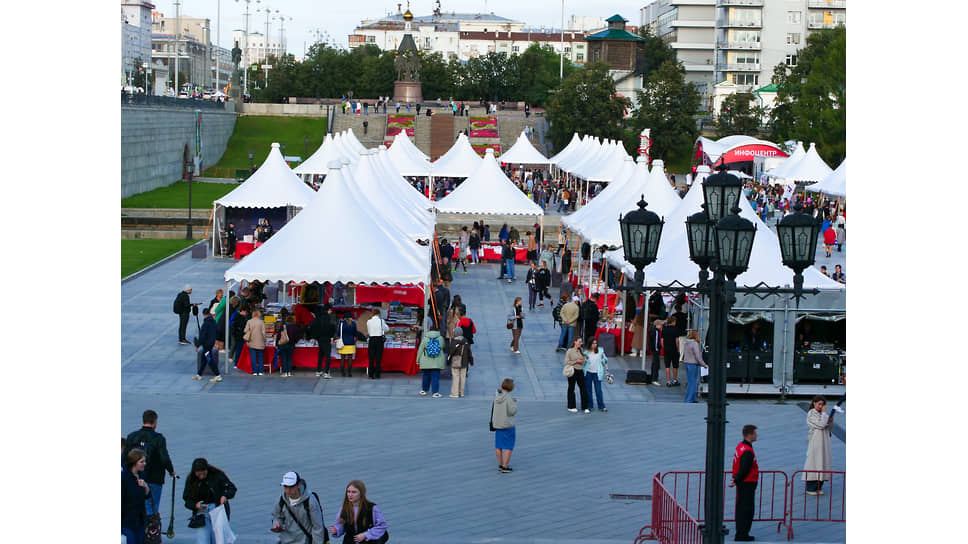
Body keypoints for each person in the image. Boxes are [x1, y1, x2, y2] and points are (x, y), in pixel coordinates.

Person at [124, 409, 176, 518]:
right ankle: (150, 531)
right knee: (151, 506)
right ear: (155, 421)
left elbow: (124, 458)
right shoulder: (158, 439)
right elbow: (164, 458)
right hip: (154, 478)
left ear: (143, 420)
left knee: (134, 505)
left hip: (134, 477)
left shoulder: (131, 437)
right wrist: (171, 471)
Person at [183, 458, 236, 544]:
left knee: (219, 540)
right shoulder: (191, 480)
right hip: (201, 513)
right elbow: (187, 499)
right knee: (203, 540)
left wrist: (225, 496)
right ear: (194, 472)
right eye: (198, 472)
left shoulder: (217, 475)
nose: (201, 474)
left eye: (203, 471)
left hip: (217, 511)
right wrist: (195, 506)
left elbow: (231, 488)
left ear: (207, 469)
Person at [271, 471, 328, 544]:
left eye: (291, 487)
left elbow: (318, 528)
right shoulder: (281, 499)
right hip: (285, 541)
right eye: (285, 486)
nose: (288, 490)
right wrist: (277, 524)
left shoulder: (310, 501)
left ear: (298, 485)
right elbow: (276, 516)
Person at [729, 425, 759, 542]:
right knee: (746, 510)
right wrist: (736, 480)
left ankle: (741, 532)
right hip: (747, 483)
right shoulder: (748, 451)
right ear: (750, 435)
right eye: (755, 433)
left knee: (741, 508)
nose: (756, 435)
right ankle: (742, 533)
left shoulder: (741, 447)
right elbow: (744, 469)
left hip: (743, 483)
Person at [803, 396, 835, 495]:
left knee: (823, 462)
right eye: (819, 404)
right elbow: (821, 424)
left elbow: (828, 426)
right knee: (815, 462)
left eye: (822, 404)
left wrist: (830, 420)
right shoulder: (812, 413)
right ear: (814, 403)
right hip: (816, 441)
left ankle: (818, 486)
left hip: (824, 441)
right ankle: (811, 487)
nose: (821, 406)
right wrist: (825, 415)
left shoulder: (822, 414)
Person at [122, 448, 151, 544]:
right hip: (127, 521)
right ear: (134, 462)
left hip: (140, 520)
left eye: (145, 461)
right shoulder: (124, 479)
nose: (145, 463)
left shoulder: (142, 475)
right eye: (142, 461)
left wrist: (146, 486)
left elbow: (146, 496)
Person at [492, 378, 518, 473]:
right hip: (507, 425)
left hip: (498, 425)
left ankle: (500, 464)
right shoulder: (508, 398)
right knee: (508, 446)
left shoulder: (497, 395)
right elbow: (512, 411)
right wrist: (514, 404)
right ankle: (505, 466)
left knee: (498, 445)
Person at [194, 308, 222, 382]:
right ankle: (199, 374)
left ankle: (217, 375)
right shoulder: (213, 322)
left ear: (203, 314)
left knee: (209, 359)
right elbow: (217, 332)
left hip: (207, 344)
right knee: (204, 359)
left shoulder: (206, 323)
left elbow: (202, 335)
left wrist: (197, 345)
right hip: (211, 343)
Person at [680, 329, 708, 403]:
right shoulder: (695, 344)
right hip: (693, 364)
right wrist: (704, 364)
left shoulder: (686, 343)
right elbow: (697, 356)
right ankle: (689, 399)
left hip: (687, 363)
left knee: (690, 381)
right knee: (693, 382)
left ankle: (692, 398)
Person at [309, 304, 336, 378]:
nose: (331, 311)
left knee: (320, 355)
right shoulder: (330, 318)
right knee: (327, 356)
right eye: (331, 310)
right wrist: (332, 337)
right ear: (329, 310)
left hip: (320, 338)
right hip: (327, 338)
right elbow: (332, 328)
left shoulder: (318, 317)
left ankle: (318, 371)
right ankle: (326, 372)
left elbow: (311, 326)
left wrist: (315, 336)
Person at [417, 327, 446, 397]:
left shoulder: (425, 338)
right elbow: (443, 346)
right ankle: (435, 392)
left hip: (426, 361)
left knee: (426, 375)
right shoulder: (440, 338)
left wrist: (418, 360)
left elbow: (420, 349)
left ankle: (424, 390)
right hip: (437, 361)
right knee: (435, 377)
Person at [564, 337, 589, 413]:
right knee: (571, 388)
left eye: (581, 342)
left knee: (583, 388)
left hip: (580, 370)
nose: (580, 343)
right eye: (579, 342)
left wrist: (583, 361)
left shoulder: (581, 350)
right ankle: (571, 406)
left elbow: (584, 360)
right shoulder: (570, 351)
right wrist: (576, 361)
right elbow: (566, 362)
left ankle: (585, 407)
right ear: (575, 342)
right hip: (573, 370)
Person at [583, 337, 608, 412]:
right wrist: (585, 359)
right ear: (590, 344)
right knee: (588, 390)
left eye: (596, 343)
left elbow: (605, 361)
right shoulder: (586, 352)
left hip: (597, 373)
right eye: (593, 343)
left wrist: (603, 358)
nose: (595, 345)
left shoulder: (600, 351)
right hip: (588, 372)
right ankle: (589, 405)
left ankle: (601, 406)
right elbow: (583, 363)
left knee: (598, 390)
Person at [336, 313, 365, 377]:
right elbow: (355, 333)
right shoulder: (353, 324)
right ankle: (349, 373)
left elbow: (338, 333)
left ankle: (343, 372)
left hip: (343, 343)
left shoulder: (341, 324)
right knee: (350, 358)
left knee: (343, 358)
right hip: (351, 342)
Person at [448, 328, 474, 398]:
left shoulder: (454, 342)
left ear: (456, 333)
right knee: (463, 377)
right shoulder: (466, 341)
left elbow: (451, 353)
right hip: (464, 362)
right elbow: (469, 352)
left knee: (456, 377)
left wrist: (448, 361)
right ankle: (461, 393)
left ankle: (455, 393)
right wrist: (471, 361)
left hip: (456, 362)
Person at [365, 309, 389, 379]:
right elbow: (387, 329)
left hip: (372, 339)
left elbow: (369, 331)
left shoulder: (369, 321)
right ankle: (377, 373)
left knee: (371, 357)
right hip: (379, 339)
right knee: (378, 357)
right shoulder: (381, 321)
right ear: (378, 314)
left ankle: (370, 373)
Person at [661, 316, 683, 386]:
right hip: (674, 349)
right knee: (675, 366)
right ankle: (675, 380)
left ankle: (668, 381)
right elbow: (677, 341)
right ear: (673, 322)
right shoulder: (676, 329)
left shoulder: (664, 329)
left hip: (666, 349)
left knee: (667, 365)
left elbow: (662, 340)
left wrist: (664, 347)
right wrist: (678, 349)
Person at [245, 309, 268, 375]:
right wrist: (265, 339)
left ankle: (254, 371)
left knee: (253, 358)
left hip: (251, 341)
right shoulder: (261, 322)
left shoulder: (249, 321)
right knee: (260, 357)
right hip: (260, 342)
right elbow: (264, 332)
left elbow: (245, 330)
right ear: (259, 315)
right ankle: (261, 371)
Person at [648, 320, 664, 386]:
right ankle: (654, 379)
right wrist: (657, 349)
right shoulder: (656, 332)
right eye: (661, 325)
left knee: (654, 364)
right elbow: (656, 341)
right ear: (657, 325)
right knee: (656, 364)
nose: (661, 326)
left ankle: (653, 377)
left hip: (653, 349)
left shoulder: (653, 330)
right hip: (655, 350)